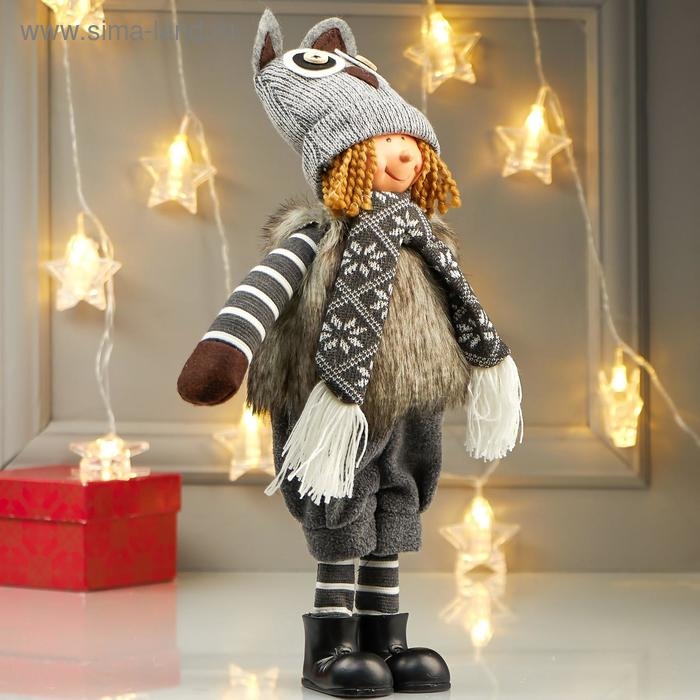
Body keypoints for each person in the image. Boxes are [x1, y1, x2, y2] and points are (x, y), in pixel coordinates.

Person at [177, 11, 522, 697]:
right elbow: (263, 290)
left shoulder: (426, 239)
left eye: (412, 142)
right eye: (384, 142)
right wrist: (226, 348)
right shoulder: (314, 237)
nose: (407, 155)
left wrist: (487, 358)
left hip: (411, 401)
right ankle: (330, 644)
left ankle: (382, 638)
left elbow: (458, 304)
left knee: (398, 496)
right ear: (340, 157)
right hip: (334, 401)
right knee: (342, 499)